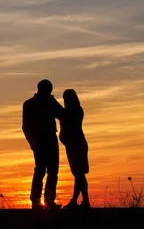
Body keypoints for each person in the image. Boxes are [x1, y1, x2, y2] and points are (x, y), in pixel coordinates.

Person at [22, 79, 64, 209]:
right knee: (41, 170)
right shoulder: (30, 104)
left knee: (52, 170)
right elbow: (26, 126)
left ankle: (48, 200)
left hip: (49, 138)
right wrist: (32, 141)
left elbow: (62, 114)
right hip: (40, 139)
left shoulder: (49, 102)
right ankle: (36, 201)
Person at [59, 89, 90, 209]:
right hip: (73, 144)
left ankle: (79, 201)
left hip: (76, 144)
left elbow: (69, 126)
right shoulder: (73, 111)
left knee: (79, 173)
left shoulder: (73, 111)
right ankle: (80, 201)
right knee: (79, 174)